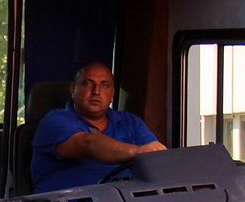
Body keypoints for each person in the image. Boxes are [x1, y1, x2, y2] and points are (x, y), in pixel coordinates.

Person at [30, 62, 166, 192]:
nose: (96, 91)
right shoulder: (54, 120)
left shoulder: (130, 122)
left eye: (105, 85)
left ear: (112, 93)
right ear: (73, 89)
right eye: (88, 84)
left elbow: (156, 160)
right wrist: (137, 151)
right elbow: (87, 144)